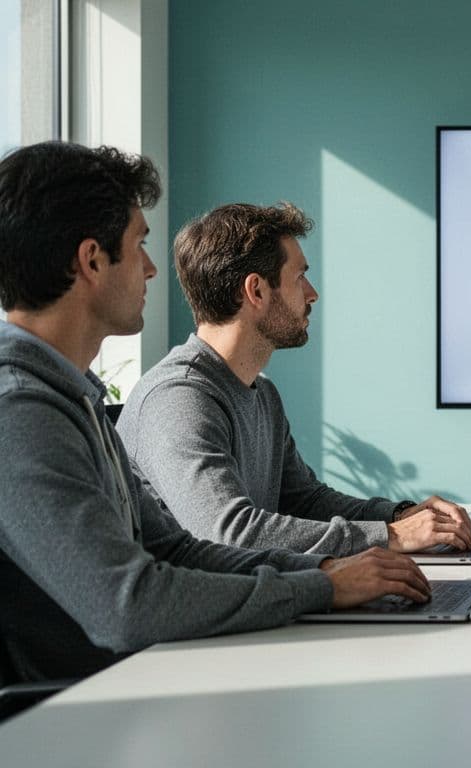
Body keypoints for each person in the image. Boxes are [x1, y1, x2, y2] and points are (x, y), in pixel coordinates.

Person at [0, 142, 432, 683]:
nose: (151, 268)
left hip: (145, 681)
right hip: (90, 707)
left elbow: (175, 548)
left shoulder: (73, 395)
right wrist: (324, 584)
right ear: (91, 261)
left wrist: (329, 570)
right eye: (139, 245)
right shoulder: (21, 410)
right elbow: (130, 604)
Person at [115, 202, 471, 557]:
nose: (312, 293)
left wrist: (398, 516)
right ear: (256, 291)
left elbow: (304, 501)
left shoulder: (262, 393)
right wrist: (390, 536)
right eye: (300, 277)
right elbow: (230, 533)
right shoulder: (177, 398)